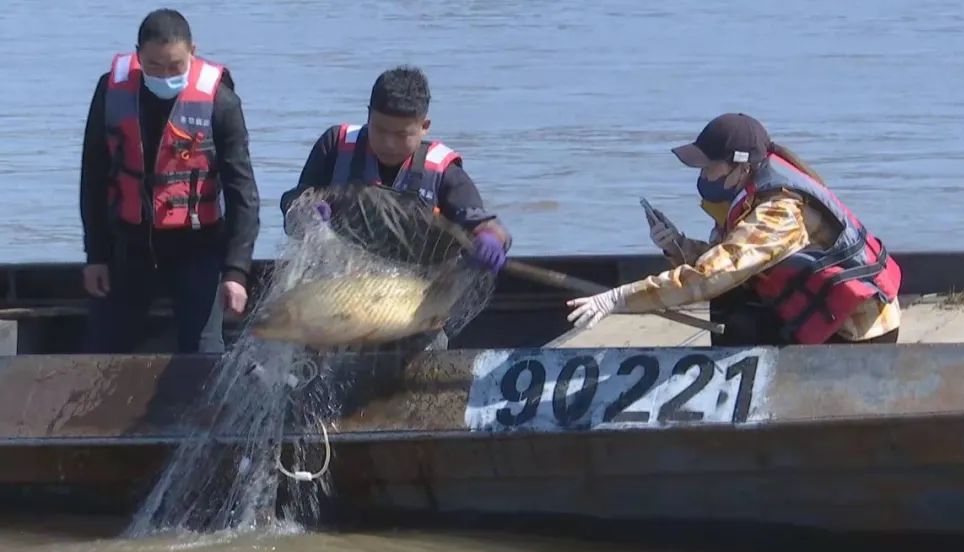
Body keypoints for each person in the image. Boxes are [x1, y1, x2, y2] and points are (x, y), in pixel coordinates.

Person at [567, 113, 902, 345]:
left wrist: (618, 298)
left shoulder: (778, 212)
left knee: (731, 306)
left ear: (741, 167)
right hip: (821, 308)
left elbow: (709, 277)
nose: (703, 176)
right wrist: (678, 246)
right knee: (731, 298)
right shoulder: (751, 191)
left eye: (709, 167)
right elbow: (725, 257)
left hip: (855, 330)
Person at [278, 66, 512, 352]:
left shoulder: (443, 171)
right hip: (338, 302)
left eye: (402, 134)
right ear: (368, 115)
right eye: (380, 129)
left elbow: (486, 225)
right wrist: (305, 211)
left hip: (410, 311)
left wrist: (490, 241)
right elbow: (294, 201)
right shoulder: (334, 146)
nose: (389, 143)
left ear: (424, 126)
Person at [79, 9, 261, 354]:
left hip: (197, 248)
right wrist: (95, 256)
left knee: (205, 354)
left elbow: (244, 195)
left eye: (176, 66)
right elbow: (93, 177)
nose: (165, 75)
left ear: (193, 50)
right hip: (127, 249)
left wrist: (236, 272)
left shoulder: (221, 102)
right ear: (138, 55)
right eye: (154, 66)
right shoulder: (111, 92)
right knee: (103, 351)